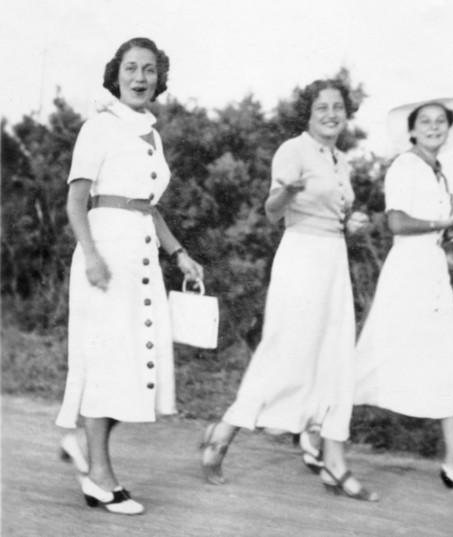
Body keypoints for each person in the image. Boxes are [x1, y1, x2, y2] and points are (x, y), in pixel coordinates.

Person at [200, 79, 378, 502]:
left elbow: (337, 214)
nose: (332, 114)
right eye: (322, 108)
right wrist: (288, 191)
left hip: (333, 260)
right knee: (286, 352)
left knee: (336, 357)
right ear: (309, 113)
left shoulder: (341, 161)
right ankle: (224, 430)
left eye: (338, 107)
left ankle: (334, 458)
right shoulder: (293, 149)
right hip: (301, 257)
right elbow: (271, 210)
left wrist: (352, 224)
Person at [55, 37, 203, 515]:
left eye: (150, 70)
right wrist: (91, 254)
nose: (140, 78)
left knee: (136, 368)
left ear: (160, 78)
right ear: (115, 75)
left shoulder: (152, 135)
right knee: (109, 365)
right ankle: (99, 477)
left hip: (141, 260)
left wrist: (179, 252)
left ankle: (83, 443)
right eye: (131, 69)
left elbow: (146, 208)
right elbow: (77, 201)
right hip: (106, 256)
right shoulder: (100, 127)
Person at [353, 97, 453, 497]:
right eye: (426, 121)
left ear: (447, 130)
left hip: (431, 272)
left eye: (441, 122)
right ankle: (316, 430)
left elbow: (435, 229)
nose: (434, 127)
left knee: (452, 364)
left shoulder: (437, 172)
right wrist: (442, 222)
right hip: (409, 274)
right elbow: (396, 221)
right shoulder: (405, 165)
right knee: (374, 358)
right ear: (412, 129)